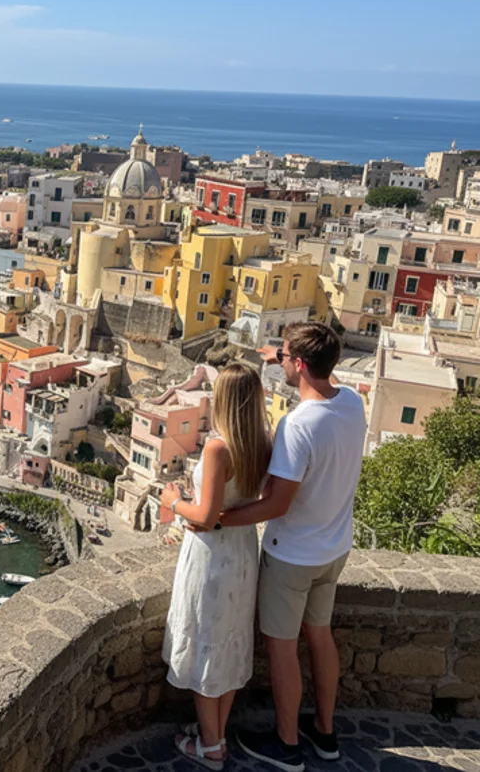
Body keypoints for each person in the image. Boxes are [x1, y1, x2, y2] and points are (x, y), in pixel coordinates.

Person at [224, 323, 366, 772]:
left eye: (286, 356)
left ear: (299, 364)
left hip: (293, 557)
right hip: (334, 548)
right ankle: (325, 732)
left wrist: (218, 519)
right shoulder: (353, 404)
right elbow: (322, 382)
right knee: (319, 638)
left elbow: (275, 503)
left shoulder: (296, 425)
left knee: (282, 647)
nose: (281, 360)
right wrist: (276, 355)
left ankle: (286, 745)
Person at [161, 363, 272, 770]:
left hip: (212, 555)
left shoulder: (217, 447)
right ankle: (217, 733)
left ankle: (210, 748)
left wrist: (173, 500)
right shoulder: (262, 441)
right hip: (243, 549)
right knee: (226, 647)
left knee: (207, 645)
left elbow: (206, 515)